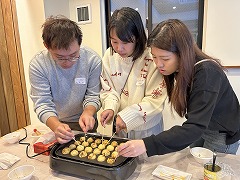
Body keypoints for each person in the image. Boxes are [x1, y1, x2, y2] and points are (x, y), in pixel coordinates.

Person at [117, 19, 240, 156]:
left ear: (182, 53)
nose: (159, 64)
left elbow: (194, 127)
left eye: (165, 59)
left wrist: (146, 144)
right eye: (155, 57)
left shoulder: (207, 72)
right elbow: (195, 125)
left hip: (222, 134)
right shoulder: (178, 69)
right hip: (203, 127)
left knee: (210, 174)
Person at [29, 16, 102, 144]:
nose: (68, 63)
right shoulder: (38, 65)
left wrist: (88, 112)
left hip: (85, 119)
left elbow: (93, 95)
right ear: (47, 46)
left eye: (74, 56)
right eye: (60, 57)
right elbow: (43, 103)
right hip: (56, 120)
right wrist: (56, 125)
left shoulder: (92, 60)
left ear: (79, 43)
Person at [100, 7, 167, 140]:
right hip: (120, 128)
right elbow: (108, 89)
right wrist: (110, 108)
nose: (119, 48)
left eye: (125, 42)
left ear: (137, 37)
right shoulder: (109, 55)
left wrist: (127, 116)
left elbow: (155, 100)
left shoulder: (152, 57)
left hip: (147, 130)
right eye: (114, 42)